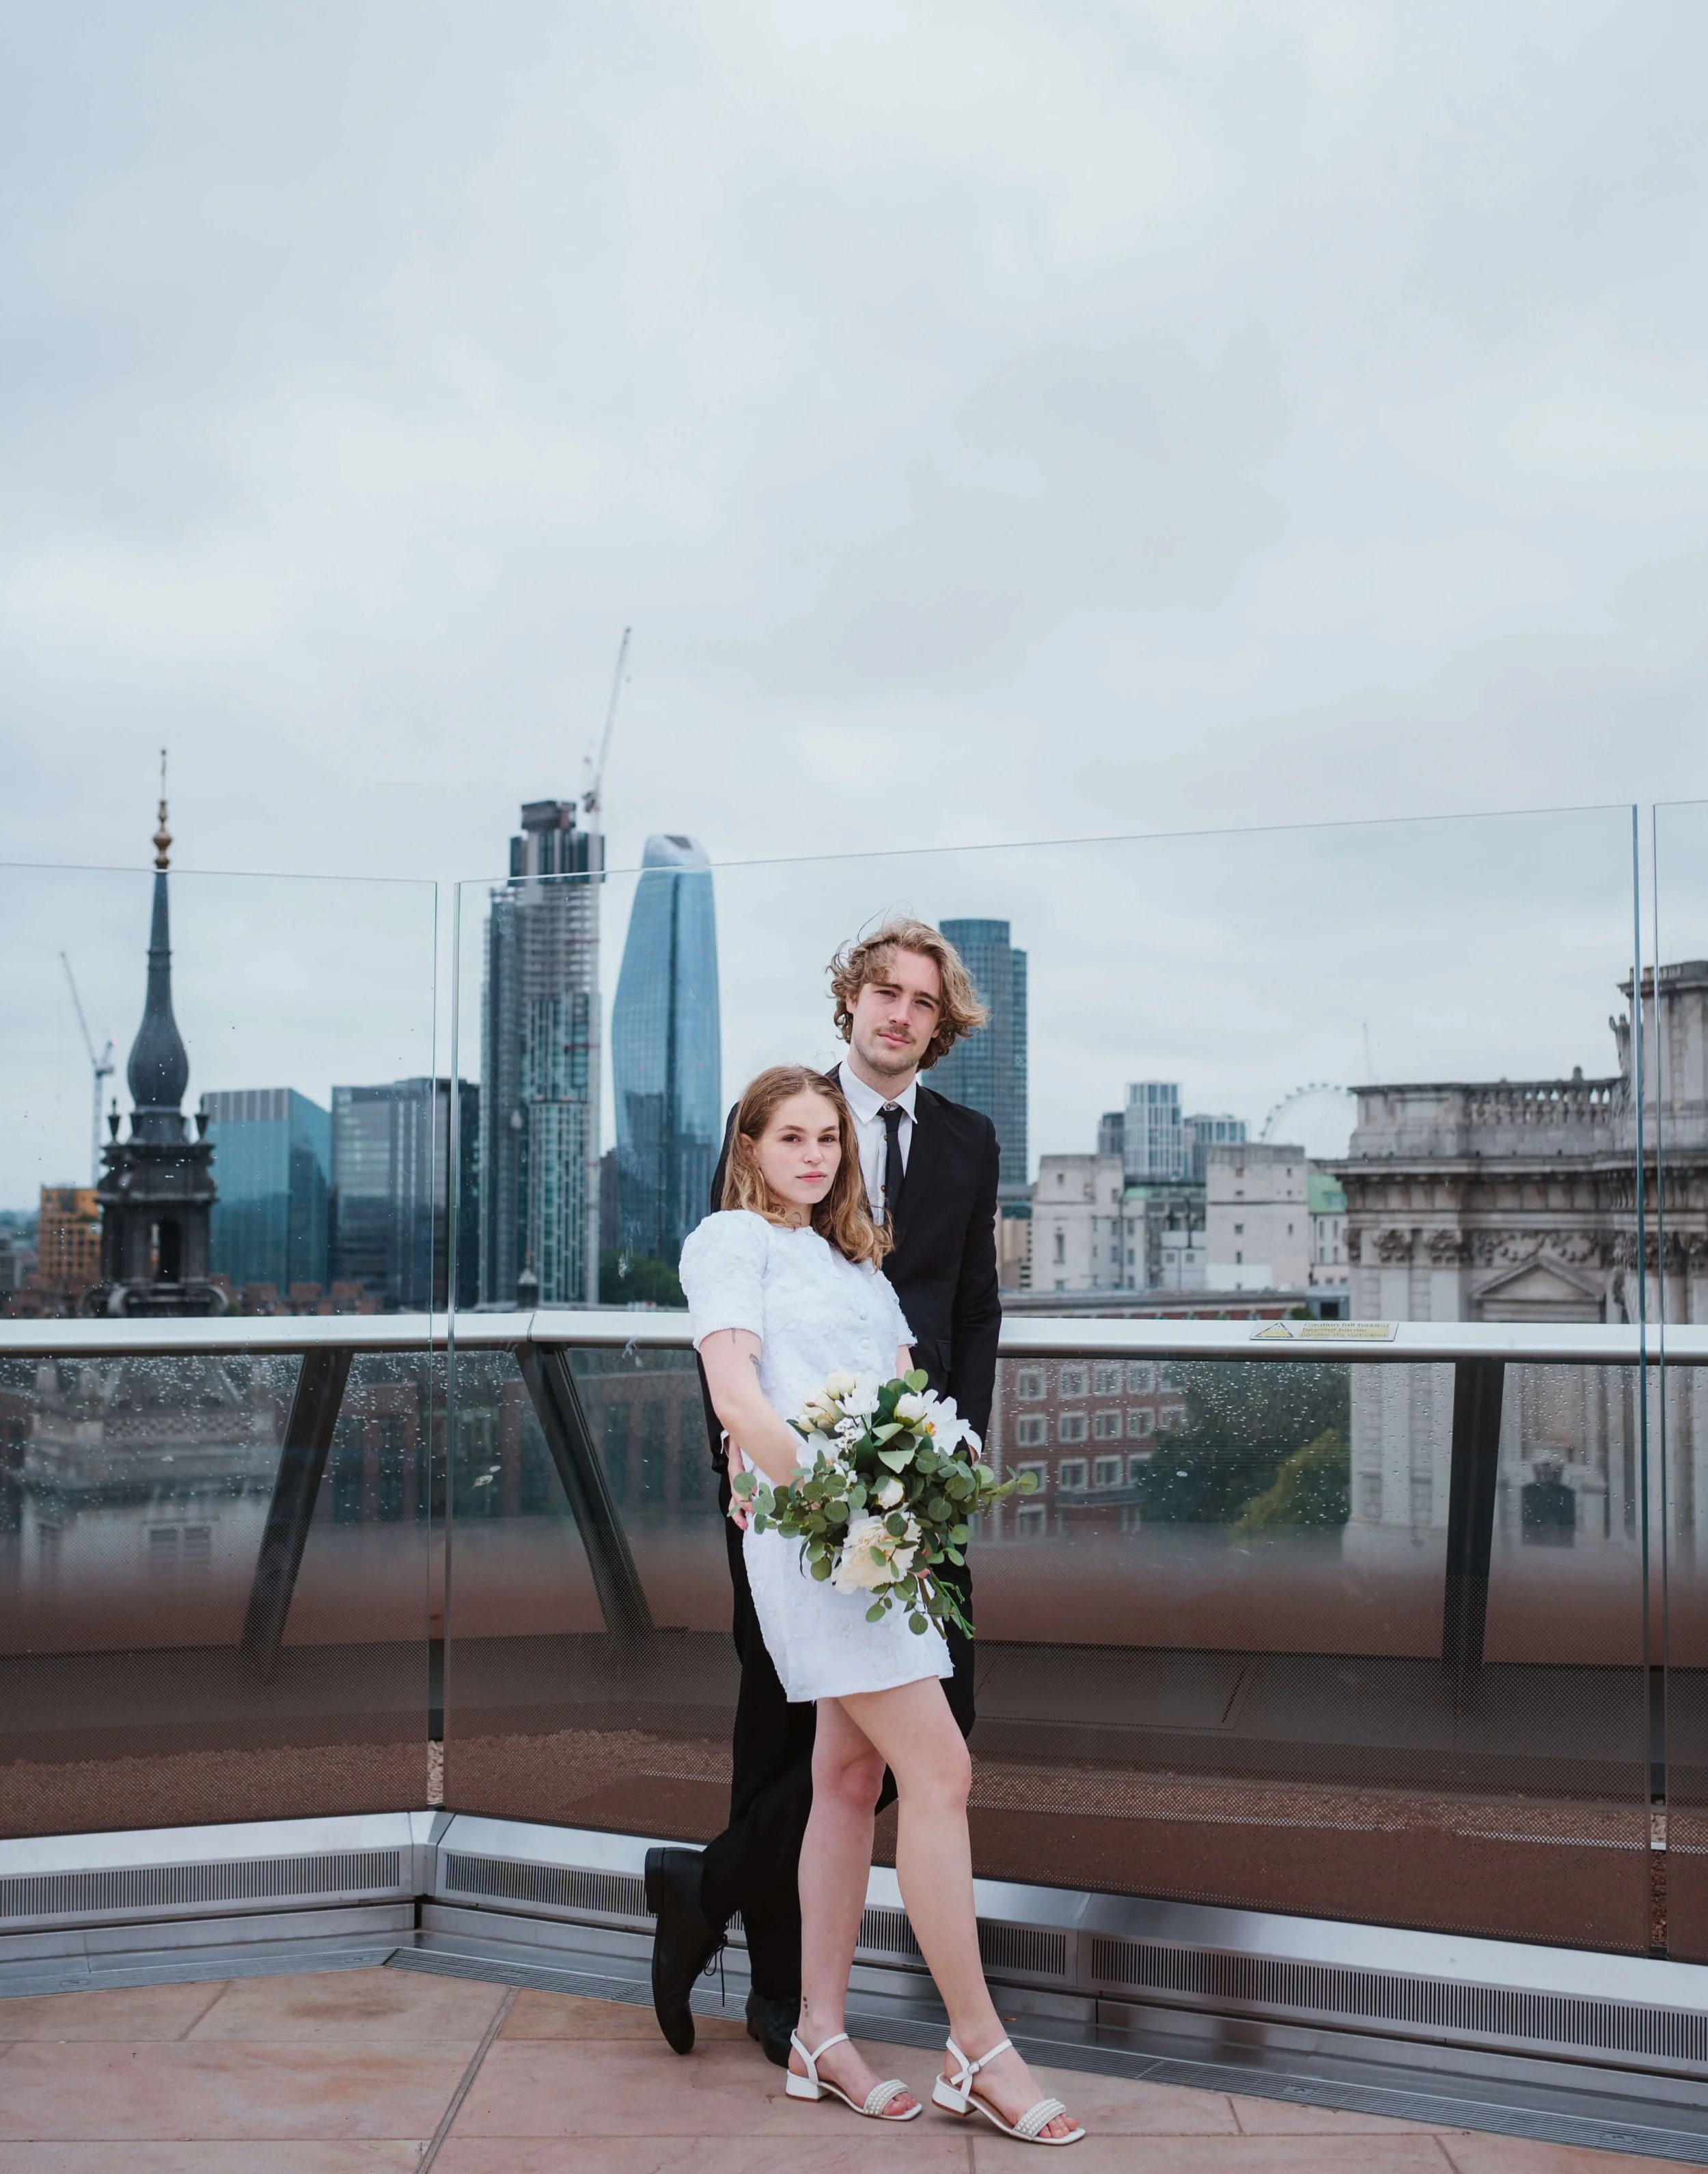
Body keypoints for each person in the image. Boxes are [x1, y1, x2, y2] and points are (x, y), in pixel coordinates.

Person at [669, 1066, 1082, 2143]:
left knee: (848, 1779)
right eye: (792, 1136)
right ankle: (980, 2045)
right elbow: (734, 1392)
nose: (815, 1155)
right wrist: (820, 1491)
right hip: (815, 1543)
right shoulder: (730, 1241)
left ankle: (818, 2031)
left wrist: (924, 1487)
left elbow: (909, 1395)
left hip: (883, 1545)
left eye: (828, 1140)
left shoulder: (857, 1259)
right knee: (940, 1768)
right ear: (750, 1144)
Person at [647, 921, 1002, 2065]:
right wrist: (750, 1464)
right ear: (849, 1002)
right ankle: (784, 1996)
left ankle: (705, 1887)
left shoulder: (967, 1142)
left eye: (923, 1003)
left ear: (940, 1028)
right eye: (883, 994)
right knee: (785, 1733)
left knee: (916, 1733)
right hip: (787, 1498)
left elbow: (967, 1313)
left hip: (907, 1489)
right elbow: (732, 1328)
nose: (901, 1015)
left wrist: (946, 1465)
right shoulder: (779, 1120)